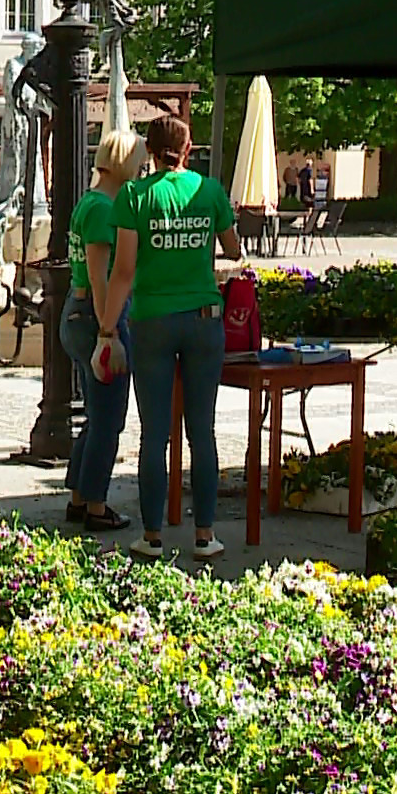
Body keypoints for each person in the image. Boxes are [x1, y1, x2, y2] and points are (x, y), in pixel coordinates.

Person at [102, 115, 242, 562]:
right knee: (203, 431)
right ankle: (205, 536)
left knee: (155, 434)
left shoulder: (133, 196)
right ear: (188, 149)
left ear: (149, 150)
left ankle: (153, 536)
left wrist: (106, 329)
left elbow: (123, 270)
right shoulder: (210, 191)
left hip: (152, 321)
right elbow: (234, 248)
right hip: (204, 319)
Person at [61, 129, 148, 533]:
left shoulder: (91, 201)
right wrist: (108, 333)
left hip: (80, 314)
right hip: (97, 316)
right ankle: (96, 504)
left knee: (96, 417)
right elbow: (100, 278)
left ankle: (80, 496)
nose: (142, 169)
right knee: (109, 419)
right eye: (140, 162)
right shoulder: (102, 208)